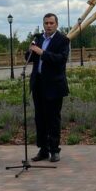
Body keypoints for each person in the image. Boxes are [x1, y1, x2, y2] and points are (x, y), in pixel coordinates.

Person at [27, 13, 70, 162]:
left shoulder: (62, 40)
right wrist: (30, 51)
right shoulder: (38, 39)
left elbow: (60, 60)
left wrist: (42, 53)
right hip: (38, 83)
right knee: (40, 118)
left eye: (51, 23)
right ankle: (43, 149)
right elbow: (30, 58)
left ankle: (54, 150)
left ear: (56, 24)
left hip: (54, 85)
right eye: (46, 23)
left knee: (53, 119)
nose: (48, 26)